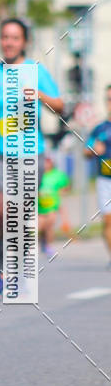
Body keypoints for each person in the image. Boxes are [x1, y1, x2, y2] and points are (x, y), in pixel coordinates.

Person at [0, 18, 63, 299]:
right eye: (5, 37)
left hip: (29, 154)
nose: (8, 42)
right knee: (0, 211)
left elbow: (60, 105)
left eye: (15, 38)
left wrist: (39, 95)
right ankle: (1, 273)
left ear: (24, 42)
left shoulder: (36, 71)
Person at [84, 84, 111, 264]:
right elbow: (86, 151)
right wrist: (93, 150)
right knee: (108, 220)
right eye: (108, 99)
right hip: (105, 180)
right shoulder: (100, 129)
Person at [38, 156, 70, 257]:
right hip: (38, 205)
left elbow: (66, 186)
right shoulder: (37, 174)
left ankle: (48, 246)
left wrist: (62, 192)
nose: (46, 164)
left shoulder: (58, 175)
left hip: (52, 205)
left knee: (49, 225)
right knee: (39, 226)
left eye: (48, 162)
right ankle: (40, 243)